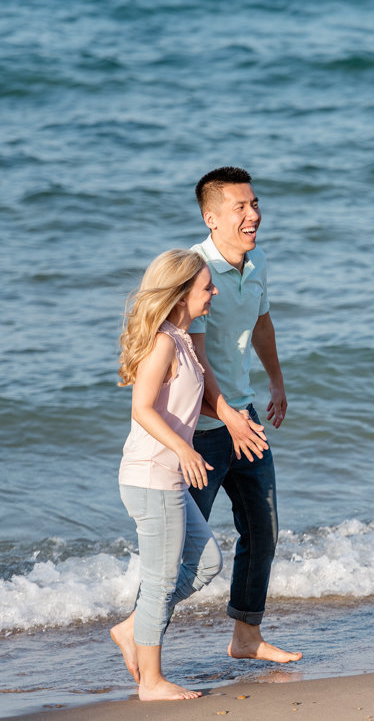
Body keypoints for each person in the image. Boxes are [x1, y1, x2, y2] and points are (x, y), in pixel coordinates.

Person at [186, 166, 302, 663]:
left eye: (255, 204)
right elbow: (191, 358)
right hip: (199, 429)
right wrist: (227, 416)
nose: (253, 214)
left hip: (243, 416)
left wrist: (275, 381)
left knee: (263, 528)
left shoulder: (257, 262)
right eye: (241, 207)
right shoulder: (191, 270)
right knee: (184, 549)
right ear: (212, 218)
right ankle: (140, 637)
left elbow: (261, 322)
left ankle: (246, 637)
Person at [109, 249, 224, 701]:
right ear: (179, 295)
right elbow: (141, 409)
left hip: (167, 479)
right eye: (205, 287)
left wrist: (230, 417)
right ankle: (151, 683)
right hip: (152, 477)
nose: (213, 292)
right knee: (159, 580)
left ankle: (132, 628)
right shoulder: (162, 342)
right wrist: (183, 448)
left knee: (208, 563)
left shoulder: (182, 339)